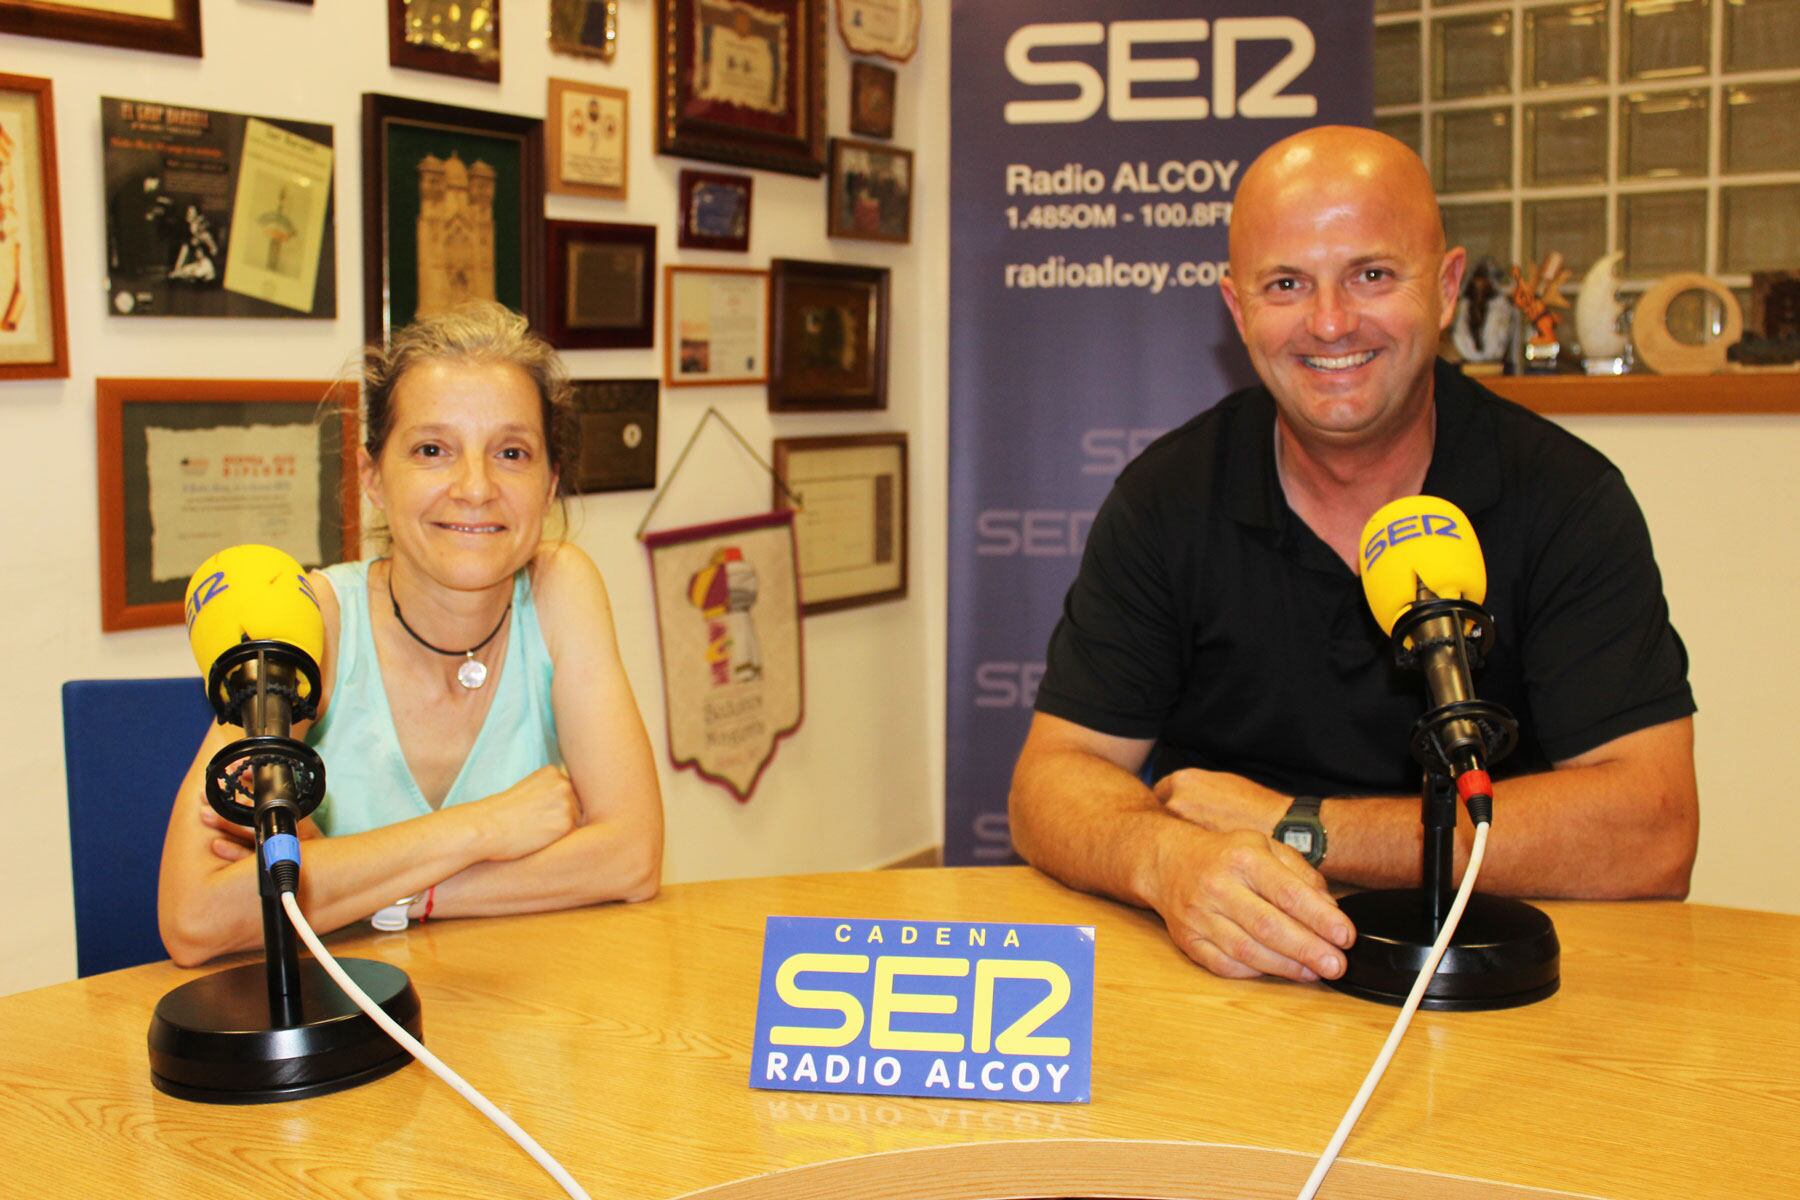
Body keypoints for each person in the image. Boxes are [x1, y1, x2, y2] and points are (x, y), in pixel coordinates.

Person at [1008, 126, 1698, 986]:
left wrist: (1302, 826)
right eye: (1287, 284)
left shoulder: (1563, 498)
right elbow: (1052, 779)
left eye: (1372, 275)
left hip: (1484, 979)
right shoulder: (1167, 498)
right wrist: (1165, 860)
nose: (1330, 323)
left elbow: (1654, 829)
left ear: (1446, 288)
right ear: (1237, 310)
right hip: (1232, 975)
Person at [158, 303, 663, 966]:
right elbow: (195, 919)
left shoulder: (561, 588)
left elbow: (630, 859)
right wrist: (485, 828)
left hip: (523, 1014)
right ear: (372, 477)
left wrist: (389, 891)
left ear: (549, 485)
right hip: (342, 1027)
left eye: (512, 453)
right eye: (432, 450)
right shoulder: (311, 621)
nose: (476, 487)